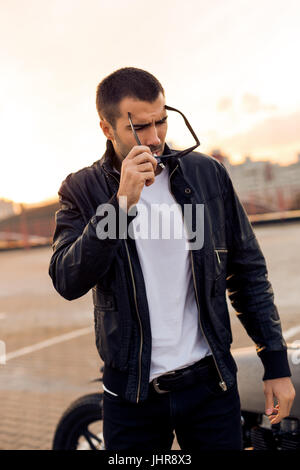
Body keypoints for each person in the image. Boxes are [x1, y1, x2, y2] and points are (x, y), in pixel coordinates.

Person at [49, 67, 295, 451]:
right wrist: (121, 205)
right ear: (106, 128)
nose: (155, 138)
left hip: (210, 386)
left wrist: (276, 364)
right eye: (138, 128)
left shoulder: (207, 174)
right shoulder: (82, 189)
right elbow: (67, 279)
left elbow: (247, 272)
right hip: (132, 395)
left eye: (160, 121)